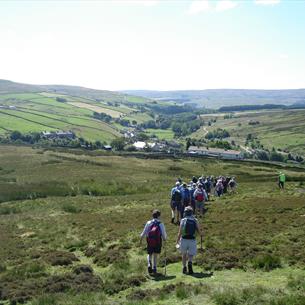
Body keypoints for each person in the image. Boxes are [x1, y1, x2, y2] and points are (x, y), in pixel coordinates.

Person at [176, 206, 202, 275]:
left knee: (184, 254)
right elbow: (199, 231)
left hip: (184, 239)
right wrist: (201, 235)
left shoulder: (183, 220)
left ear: (185, 213)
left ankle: (184, 267)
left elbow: (180, 232)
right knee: (191, 254)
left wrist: (177, 241)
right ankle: (190, 263)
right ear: (191, 212)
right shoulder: (195, 220)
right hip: (192, 239)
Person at [140, 209, 167, 274]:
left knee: (149, 254)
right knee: (155, 254)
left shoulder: (148, 223)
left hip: (149, 240)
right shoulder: (160, 223)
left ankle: (149, 264)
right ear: (158, 216)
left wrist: (141, 239)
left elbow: (144, 232)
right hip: (158, 241)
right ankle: (154, 268)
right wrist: (165, 239)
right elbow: (163, 234)